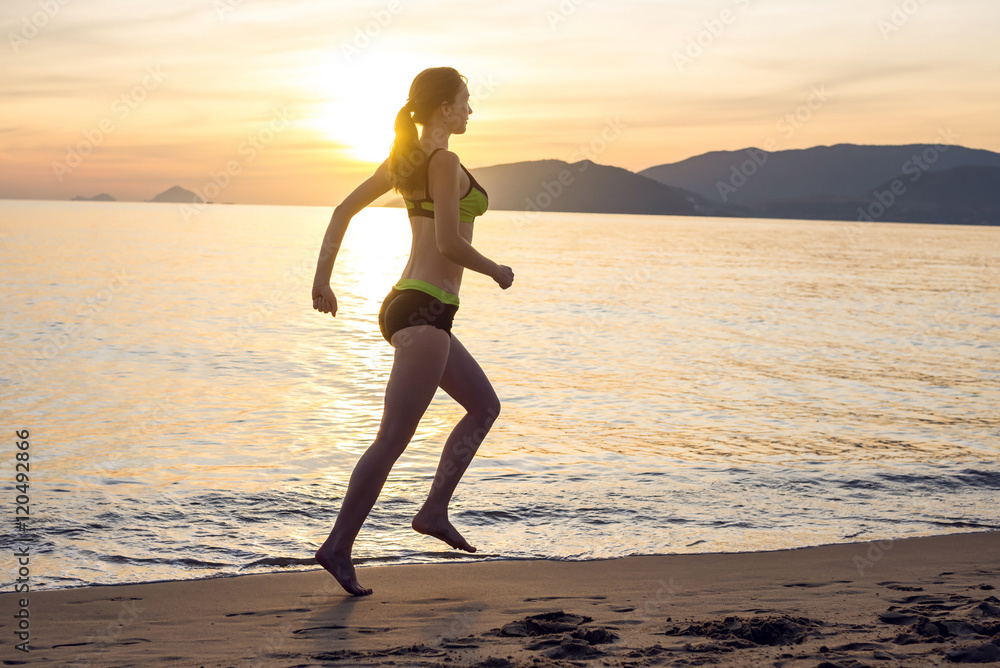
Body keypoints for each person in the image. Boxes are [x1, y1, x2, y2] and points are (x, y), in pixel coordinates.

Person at [311, 66, 514, 596]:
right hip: (424, 309)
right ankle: (337, 546)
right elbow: (448, 242)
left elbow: (340, 211)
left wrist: (322, 280)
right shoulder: (443, 160)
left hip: (417, 309)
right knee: (392, 440)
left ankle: (434, 510)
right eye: (466, 100)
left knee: (484, 406)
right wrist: (495, 271)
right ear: (445, 107)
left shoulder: (405, 160)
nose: (471, 109)